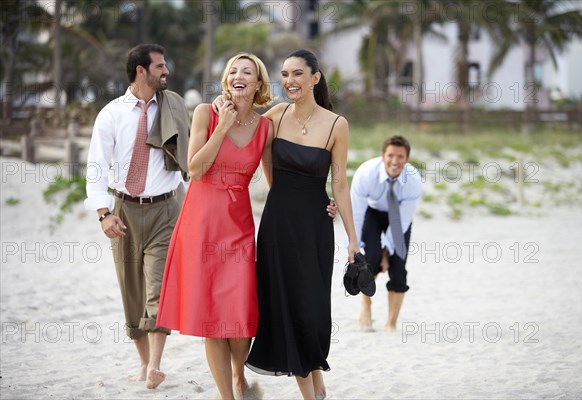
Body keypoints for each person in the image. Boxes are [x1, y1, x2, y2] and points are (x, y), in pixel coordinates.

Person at [156, 52, 336, 400]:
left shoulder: (265, 127)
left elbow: (279, 183)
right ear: (227, 79)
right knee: (212, 319)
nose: (239, 75)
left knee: (240, 315)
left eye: (248, 72)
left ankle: (239, 375)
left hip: (238, 225)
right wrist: (222, 126)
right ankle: (228, 395)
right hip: (202, 221)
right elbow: (194, 169)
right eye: (233, 70)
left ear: (257, 85)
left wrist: (316, 204)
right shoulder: (205, 113)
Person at [243, 49, 360, 400]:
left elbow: (339, 183)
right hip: (278, 225)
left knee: (312, 311)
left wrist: (352, 239)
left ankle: (316, 378)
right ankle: (311, 394)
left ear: (315, 77)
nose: (289, 81)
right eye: (284, 74)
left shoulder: (337, 124)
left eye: (297, 74)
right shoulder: (275, 116)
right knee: (285, 306)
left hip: (315, 227)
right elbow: (264, 162)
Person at [84, 44, 190, 389]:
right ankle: (143, 362)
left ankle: (157, 365)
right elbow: (97, 166)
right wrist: (103, 214)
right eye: (160, 66)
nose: (166, 72)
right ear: (140, 71)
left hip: (166, 209)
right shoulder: (112, 114)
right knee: (131, 289)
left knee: (157, 288)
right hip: (124, 209)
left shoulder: (174, 106)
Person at [350, 135, 423, 332]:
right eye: (391, 155)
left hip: (398, 216)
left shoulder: (413, 180)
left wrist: (388, 252)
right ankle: (366, 307)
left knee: (398, 267)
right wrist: (354, 244)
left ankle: (391, 323)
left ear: (406, 159)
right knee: (370, 259)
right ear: (382, 155)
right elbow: (356, 213)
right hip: (371, 214)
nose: (395, 161)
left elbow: (404, 219)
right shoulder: (366, 173)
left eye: (400, 157)